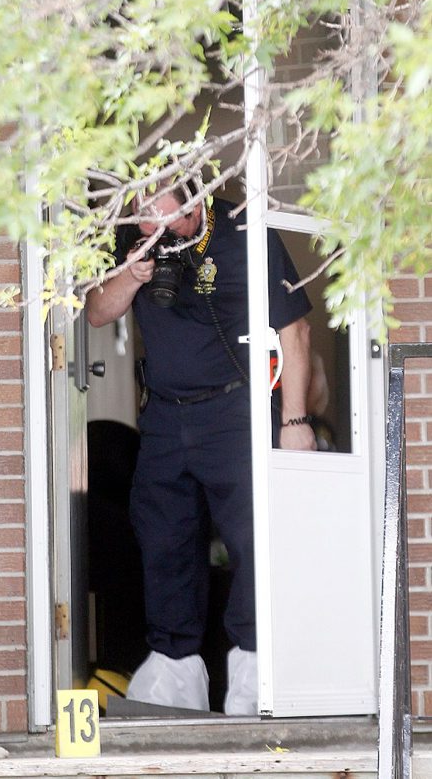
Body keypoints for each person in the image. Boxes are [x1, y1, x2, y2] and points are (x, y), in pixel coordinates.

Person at [87, 183, 316, 715]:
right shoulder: (132, 239)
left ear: (194, 200)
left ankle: (255, 676)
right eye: (144, 218)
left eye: (165, 217)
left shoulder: (244, 229)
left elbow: (296, 332)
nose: (156, 229)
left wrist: (297, 420)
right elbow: (97, 312)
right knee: (163, 540)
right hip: (166, 414)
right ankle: (172, 677)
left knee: (254, 540)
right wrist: (132, 272)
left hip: (235, 412)